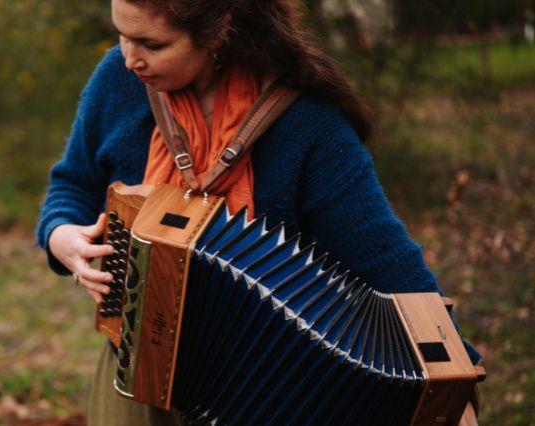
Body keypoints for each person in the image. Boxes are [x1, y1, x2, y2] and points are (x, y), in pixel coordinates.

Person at [35, 0, 482, 424]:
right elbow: (72, 186)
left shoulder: (307, 123)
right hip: (133, 377)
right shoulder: (117, 81)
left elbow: (385, 259)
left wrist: (454, 382)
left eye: (153, 44)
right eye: (121, 35)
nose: (130, 58)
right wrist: (62, 238)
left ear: (220, 31)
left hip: (268, 391)